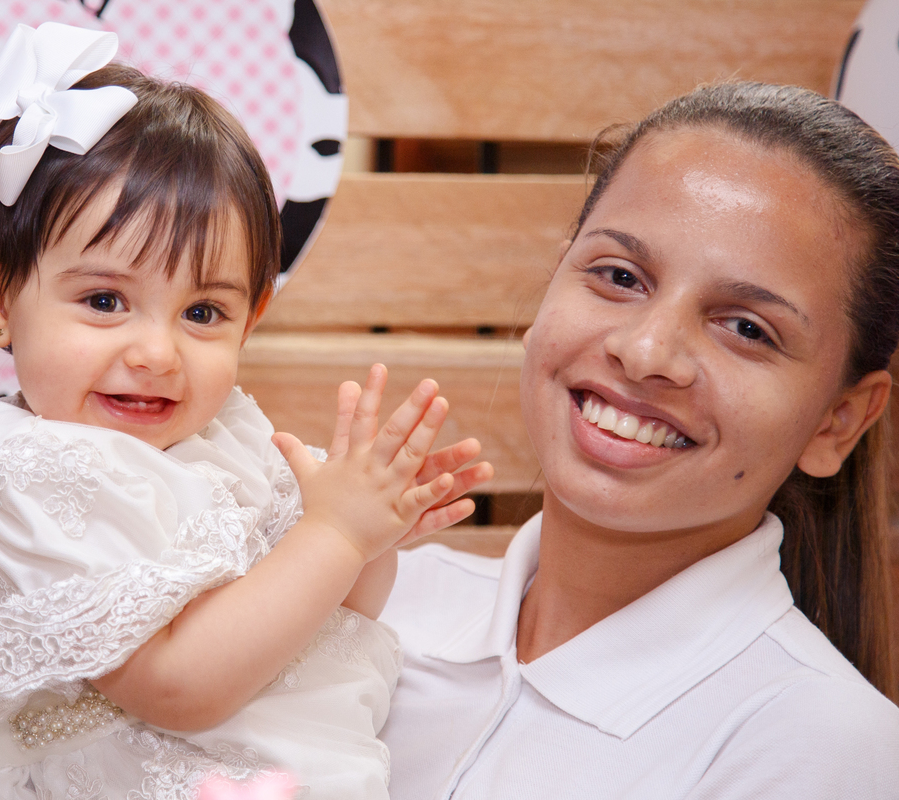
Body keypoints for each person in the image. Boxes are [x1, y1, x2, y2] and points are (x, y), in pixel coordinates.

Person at [0, 22, 491, 800]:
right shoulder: (29, 479)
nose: (157, 352)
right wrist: (333, 535)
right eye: (104, 301)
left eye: (202, 314)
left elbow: (336, 611)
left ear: (251, 316)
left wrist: (368, 536)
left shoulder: (226, 434)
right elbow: (179, 688)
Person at [378, 81, 899, 799]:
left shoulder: (821, 746)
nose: (647, 349)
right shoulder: (380, 600)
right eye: (619, 276)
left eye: (747, 327)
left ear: (838, 421)